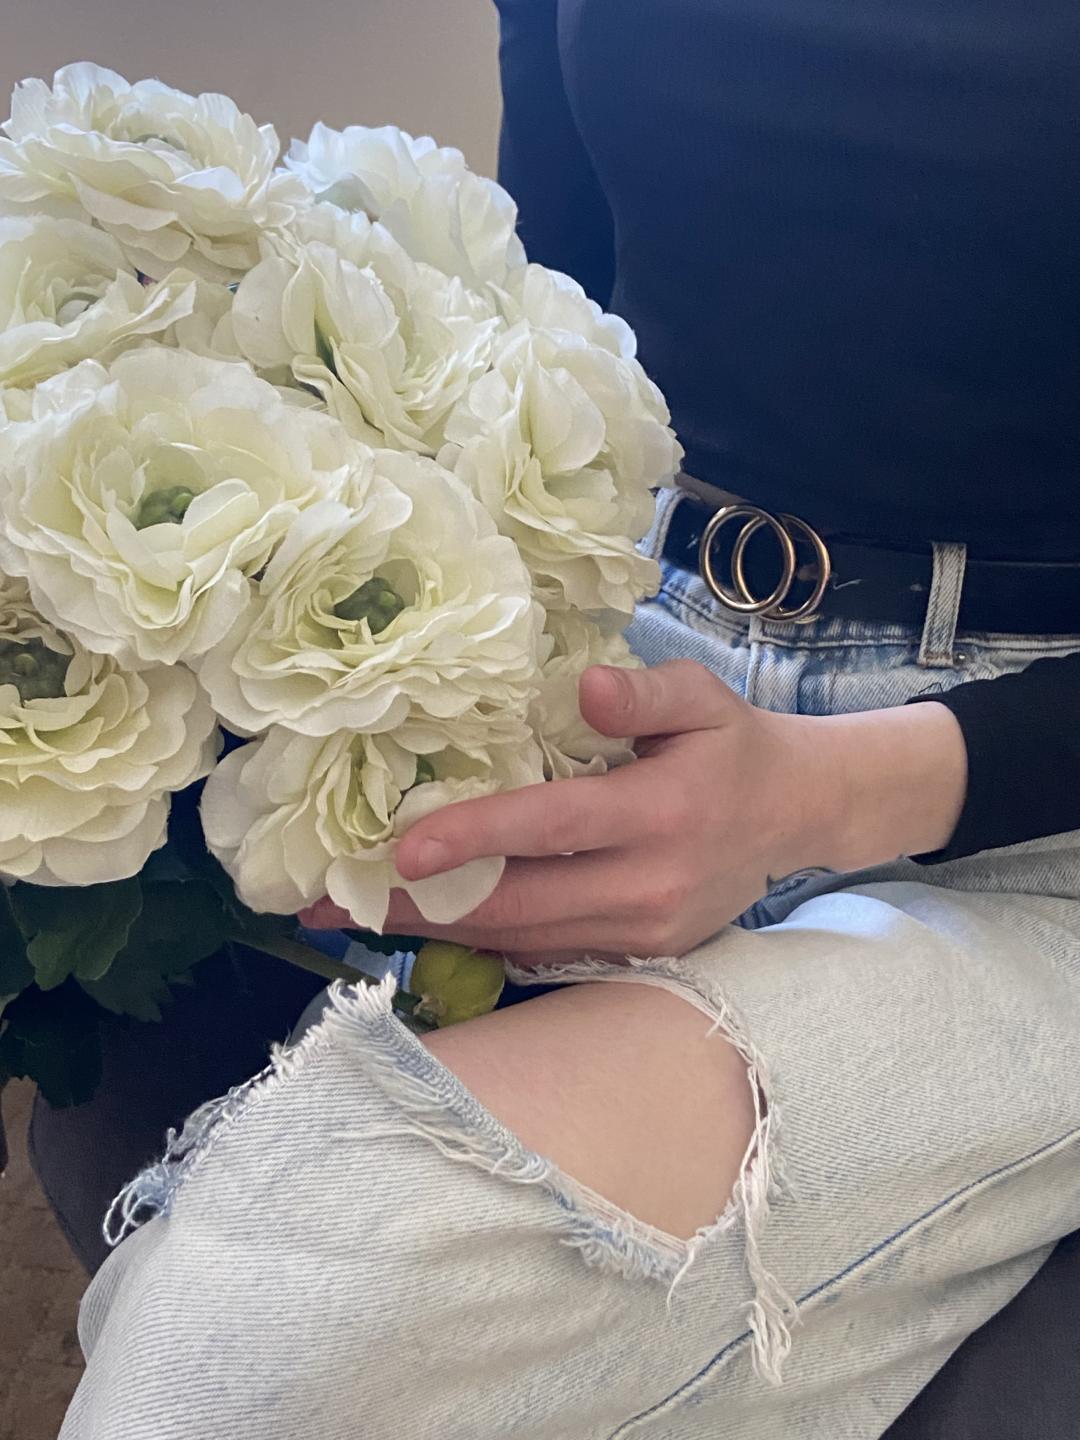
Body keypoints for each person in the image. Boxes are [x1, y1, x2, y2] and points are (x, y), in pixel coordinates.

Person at [53, 1, 1080, 1435]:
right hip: (632, 644)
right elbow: (560, 316)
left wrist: (812, 794)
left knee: (261, 1324)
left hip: (1030, 823)